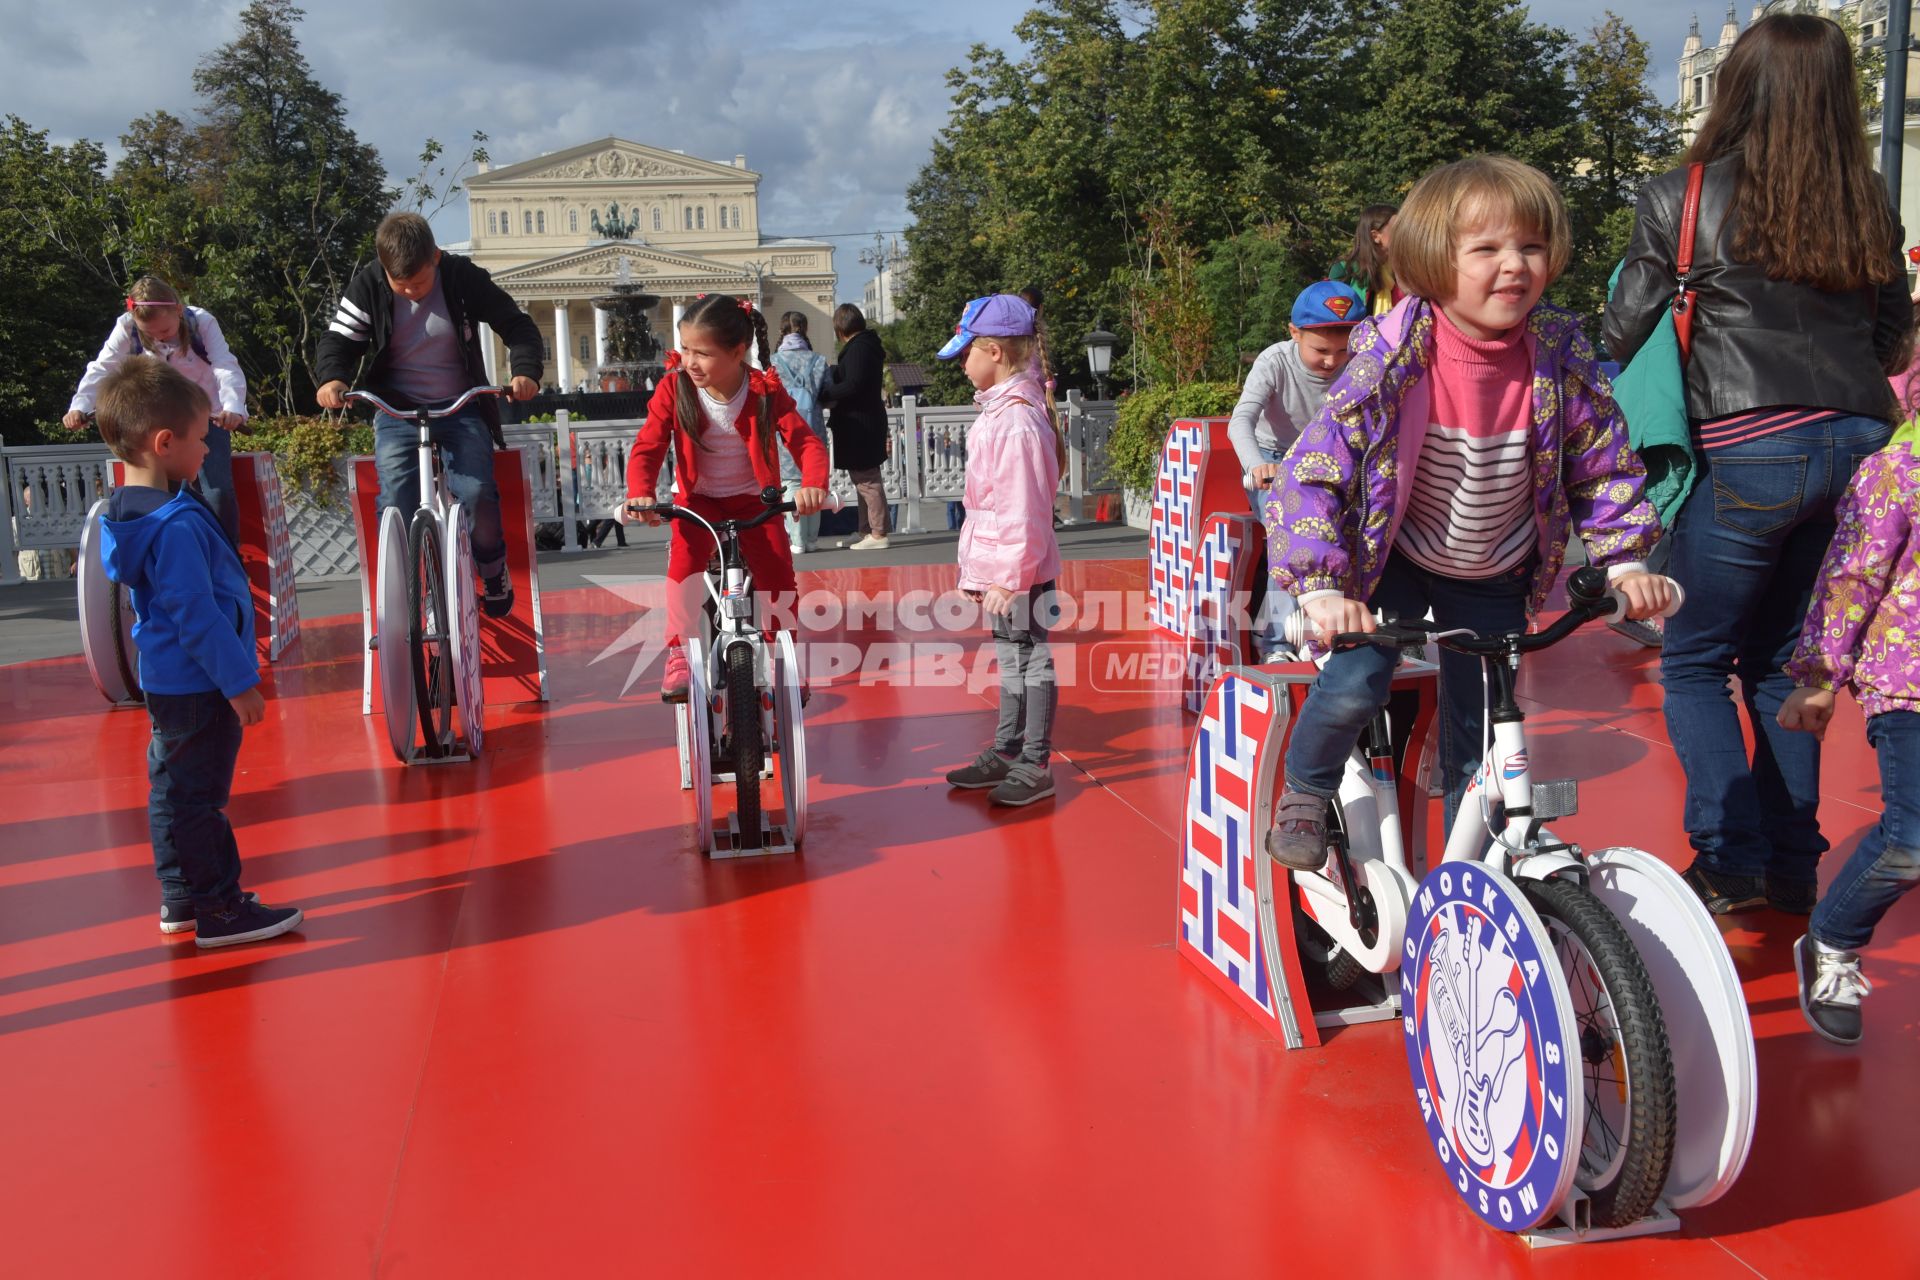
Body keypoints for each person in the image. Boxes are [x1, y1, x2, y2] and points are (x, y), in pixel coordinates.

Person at [1265, 155, 1670, 868]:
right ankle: (1305, 785)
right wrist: (1322, 585)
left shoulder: (1560, 356)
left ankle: (1464, 870)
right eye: (1486, 249)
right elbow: (1313, 471)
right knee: (1356, 683)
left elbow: (1602, 460)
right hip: (1397, 559)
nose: (1514, 265)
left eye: (1531, 247)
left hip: (1492, 567)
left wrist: (1627, 560)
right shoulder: (1392, 357)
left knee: (1482, 727)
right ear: (1432, 262)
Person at [1603, 13, 1912, 917]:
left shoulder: (1685, 196)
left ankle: (1729, 854)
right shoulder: (1868, 201)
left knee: (1696, 658)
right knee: (1783, 662)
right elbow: (1893, 334)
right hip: (1858, 442)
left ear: (1735, 84)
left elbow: (1625, 330)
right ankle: (1789, 862)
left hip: (1746, 443)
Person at [96, 360, 303, 948]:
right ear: (165, 444)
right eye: (201, 436)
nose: (209, 444)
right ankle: (220, 908)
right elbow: (197, 614)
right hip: (202, 685)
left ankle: (181, 897)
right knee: (202, 801)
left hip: (168, 681)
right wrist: (240, 683)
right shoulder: (176, 526)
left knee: (172, 791)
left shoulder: (129, 514)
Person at [315, 212, 543, 618]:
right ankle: (403, 588)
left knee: (476, 493)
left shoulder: (461, 277)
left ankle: (491, 571)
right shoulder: (369, 284)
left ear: (435, 258)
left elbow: (516, 324)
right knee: (395, 502)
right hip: (397, 410)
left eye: (417, 283)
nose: (409, 292)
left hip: (459, 405)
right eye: (398, 284)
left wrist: (525, 371)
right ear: (383, 269)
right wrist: (333, 378)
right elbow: (339, 340)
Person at [1775, 420, 1920, 1044]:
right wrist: (1818, 674)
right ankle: (1834, 939)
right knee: (1912, 836)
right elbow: (1850, 576)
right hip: (1907, 682)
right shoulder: (1897, 471)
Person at [623, 295, 830, 701]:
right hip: (698, 501)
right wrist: (641, 494)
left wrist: (814, 483)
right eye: (684, 349)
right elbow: (647, 447)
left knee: (776, 574)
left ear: (739, 353)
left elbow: (806, 442)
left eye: (702, 352)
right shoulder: (674, 387)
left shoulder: (764, 390)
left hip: (755, 500)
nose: (689, 361)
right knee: (682, 566)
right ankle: (679, 652)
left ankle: (781, 653)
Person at [939, 295, 1065, 808]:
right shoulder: (1001, 412)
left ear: (993, 351)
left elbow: (1024, 510)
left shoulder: (1015, 422)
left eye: (966, 353)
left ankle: (1035, 762)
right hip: (1008, 567)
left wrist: (1008, 577)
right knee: (1013, 658)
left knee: (1031, 659)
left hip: (1021, 570)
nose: (962, 364)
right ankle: (1008, 748)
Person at [1229, 280, 1366, 657]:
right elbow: (1241, 421)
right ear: (1294, 333)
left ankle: (1338, 627)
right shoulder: (1275, 361)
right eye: (1321, 350)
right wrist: (1257, 465)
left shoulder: (1359, 366)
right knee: (1289, 531)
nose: (1332, 361)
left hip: (1330, 463)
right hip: (1275, 459)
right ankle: (1275, 641)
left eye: (1343, 350)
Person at [66, 276, 249, 545]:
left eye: (163, 331)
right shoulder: (127, 327)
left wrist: (233, 407)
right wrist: (80, 405)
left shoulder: (202, 323)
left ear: (177, 309)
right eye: (148, 333)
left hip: (206, 417)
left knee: (217, 490)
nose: (156, 337)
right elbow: (103, 367)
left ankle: (226, 556)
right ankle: (171, 549)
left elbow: (224, 365)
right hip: (161, 421)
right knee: (163, 491)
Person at [818, 303, 891, 549]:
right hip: (864, 420)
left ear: (840, 328)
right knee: (863, 480)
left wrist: (826, 392)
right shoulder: (866, 346)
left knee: (867, 480)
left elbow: (854, 384)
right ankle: (865, 530)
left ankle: (878, 533)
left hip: (861, 423)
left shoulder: (859, 349)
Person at [771, 310, 830, 554]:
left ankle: (797, 541)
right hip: (813, 428)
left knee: (791, 484)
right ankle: (812, 539)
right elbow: (828, 394)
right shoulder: (819, 360)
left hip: (784, 429)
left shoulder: (773, 362)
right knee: (813, 484)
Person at [1330, 205, 1400, 317]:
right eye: (1397, 228)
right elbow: (1333, 317)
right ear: (1375, 236)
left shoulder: (1402, 270)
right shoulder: (1344, 269)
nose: (1404, 233)